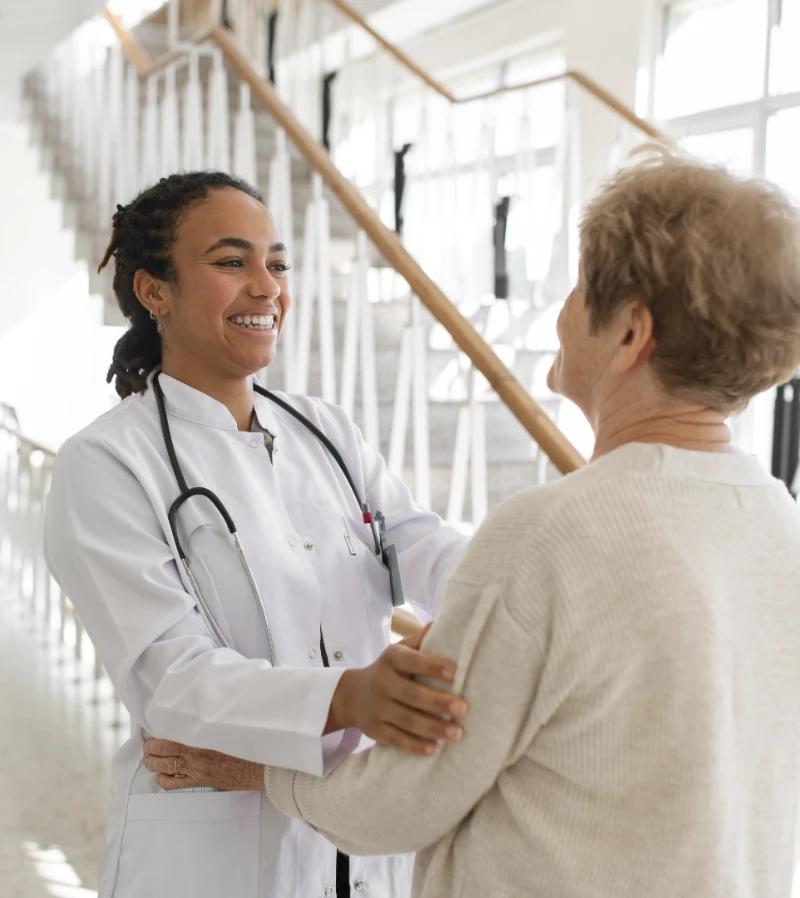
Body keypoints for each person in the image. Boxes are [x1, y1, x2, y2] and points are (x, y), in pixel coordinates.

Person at [146, 150, 800, 898]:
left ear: (629, 334)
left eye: (583, 287)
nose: (560, 309)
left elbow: (392, 808)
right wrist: (487, 632)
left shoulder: (553, 532)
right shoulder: (778, 521)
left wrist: (260, 771)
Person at [43, 171, 471, 898]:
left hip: (357, 840)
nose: (267, 286)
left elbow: (421, 545)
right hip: (212, 856)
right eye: (231, 262)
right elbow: (171, 681)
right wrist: (350, 697)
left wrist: (530, 571)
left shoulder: (325, 431)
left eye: (276, 263)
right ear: (155, 292)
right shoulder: (107, 464)